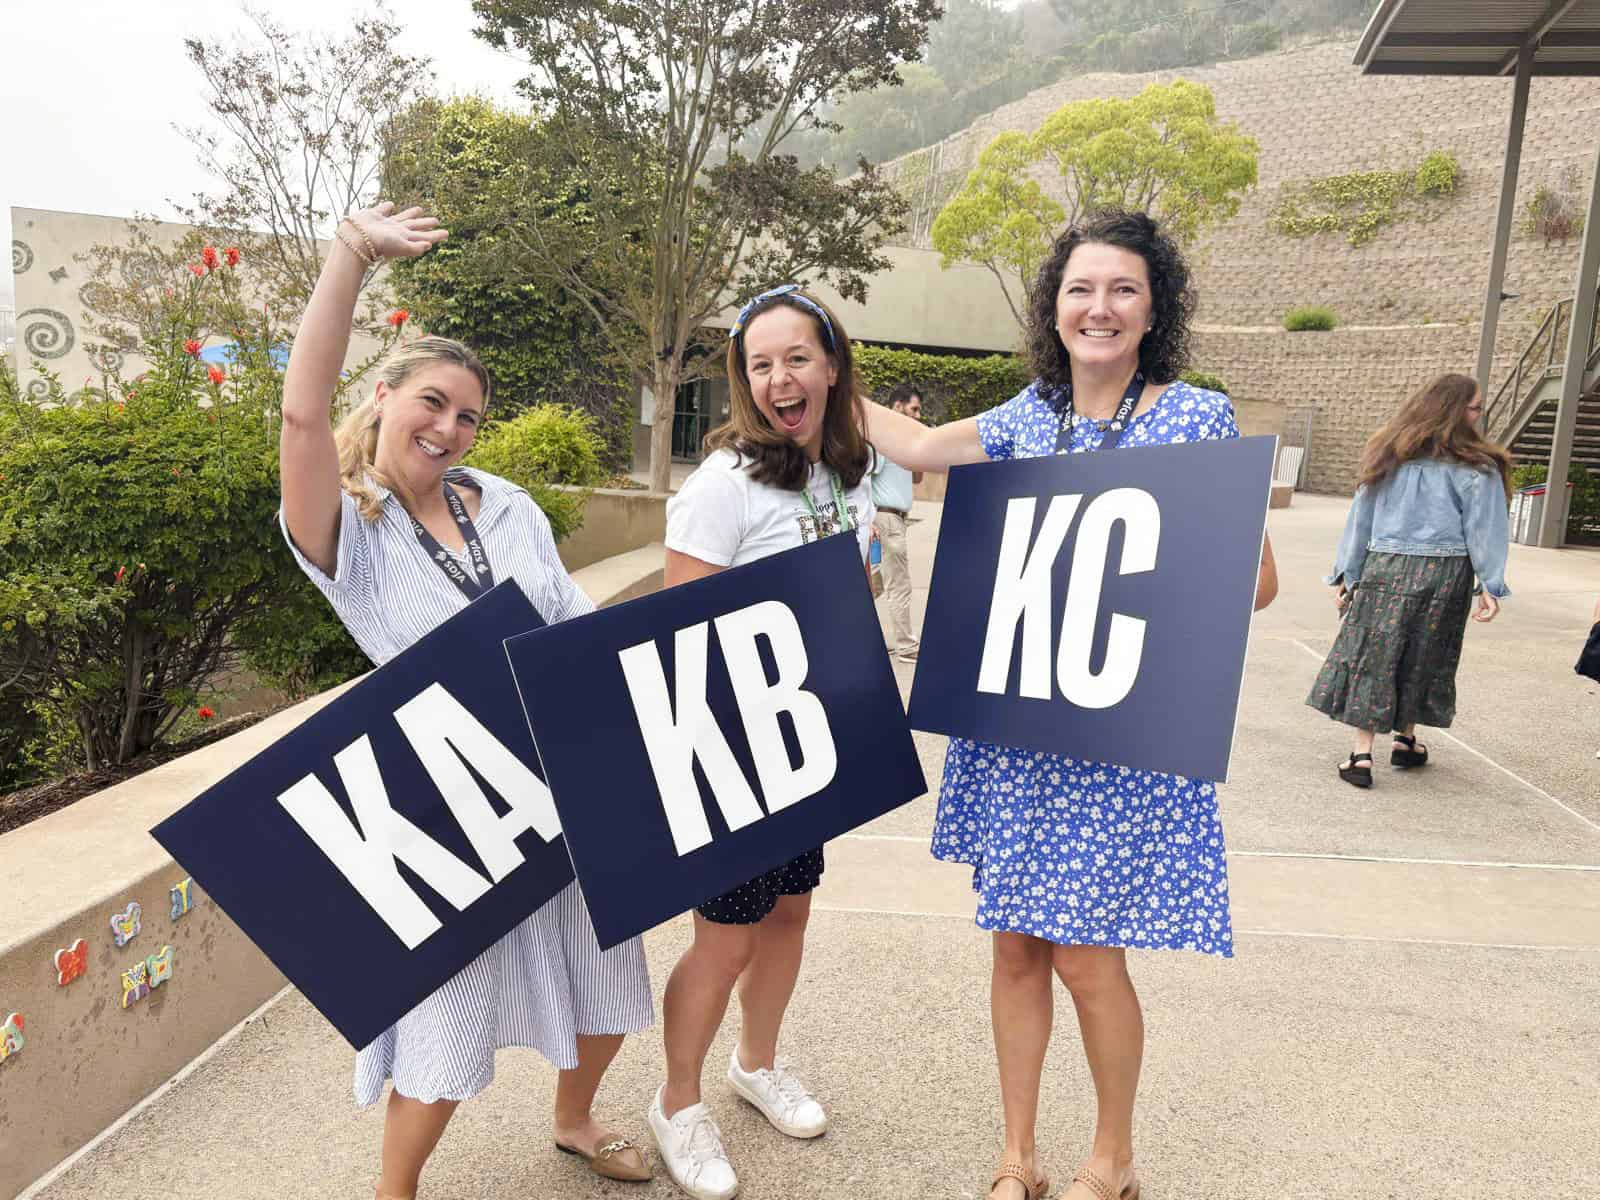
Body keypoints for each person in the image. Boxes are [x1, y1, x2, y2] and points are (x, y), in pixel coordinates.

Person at [861, 209, 1278, 1200]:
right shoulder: (1022, 419)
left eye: (1123, 289)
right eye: (1081, 288)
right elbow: (916, 448)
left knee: (1089, 960)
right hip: (1019, 731)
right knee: (1014, 953)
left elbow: (1254, 586)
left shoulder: (1192, 419)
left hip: (1115, 734)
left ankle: (1111, 1160)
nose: (1100, 306)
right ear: (1054, 308)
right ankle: (1017, 1158)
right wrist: (824, 368)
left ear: (1151, 308)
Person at [278, 202, 654, 1200]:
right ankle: (393, 1191)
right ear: (386, 395)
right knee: (444, 1022)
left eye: (467, 415)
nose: (448, 428)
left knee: (612, 985)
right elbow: (301, 414)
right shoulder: (348, 535)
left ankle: (574, 1121)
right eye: (432, 403)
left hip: (567, 775)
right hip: (452, 801)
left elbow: (574, 617)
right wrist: (351, 256)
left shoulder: (506, 501)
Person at [648, 283, 875, 1200]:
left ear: (830, 366)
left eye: (797, 357)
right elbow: (678, 630)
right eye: (760, 362)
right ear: (745, 380)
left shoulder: (843, 474)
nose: (780, 376)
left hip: (805, 739)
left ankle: (757, 1064)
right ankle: (676, 1103)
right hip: (732, 749)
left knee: (789, 914)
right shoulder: (723, 485)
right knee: (725, 936)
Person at [1307, 372, 1511, 788]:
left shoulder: (1387, 455)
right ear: (1454, 411)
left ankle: (1362, 756)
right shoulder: (1476, 468)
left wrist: (1348, 573)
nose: (1480, 415)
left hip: (1386, 567)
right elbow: (1484, 530)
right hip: (1445, 573)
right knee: (1426, 652)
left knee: (1373, 655)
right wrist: (1490, 583)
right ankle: (1405, 741)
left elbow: (1360, 520)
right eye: (1475, 407)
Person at [870, 382, 925, 662]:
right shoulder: (883, 440)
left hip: (894, 521)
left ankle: (858, 629)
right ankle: (906, 646)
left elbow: (917, 478)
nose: (917, 415)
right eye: (913, 409)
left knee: (878, 582)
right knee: (899, 583)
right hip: (887, 519)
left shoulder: (901, 441)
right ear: (897, 406)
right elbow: (864, 474)